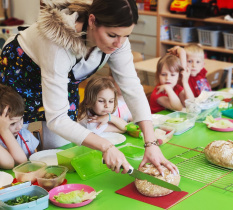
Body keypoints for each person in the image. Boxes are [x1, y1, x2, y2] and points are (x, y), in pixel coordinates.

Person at [0, 0, 178, 175]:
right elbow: (57, 119)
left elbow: (132, 87)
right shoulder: (57, 45)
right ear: (92, 21)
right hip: (21, 70)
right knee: (12, 135)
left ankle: (55, 180)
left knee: (62, 146)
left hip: (63, 76)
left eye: (126, 36)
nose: (119, 43)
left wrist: (151, 143)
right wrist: (105, 146)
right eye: (112, 35)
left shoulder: (118, 39)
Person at [0, 84, 39, 169]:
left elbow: (22, 161)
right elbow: (9, 163)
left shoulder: (25, 135)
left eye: (21, 119)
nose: (19, 127)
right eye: (12, 123)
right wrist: (4, 130)